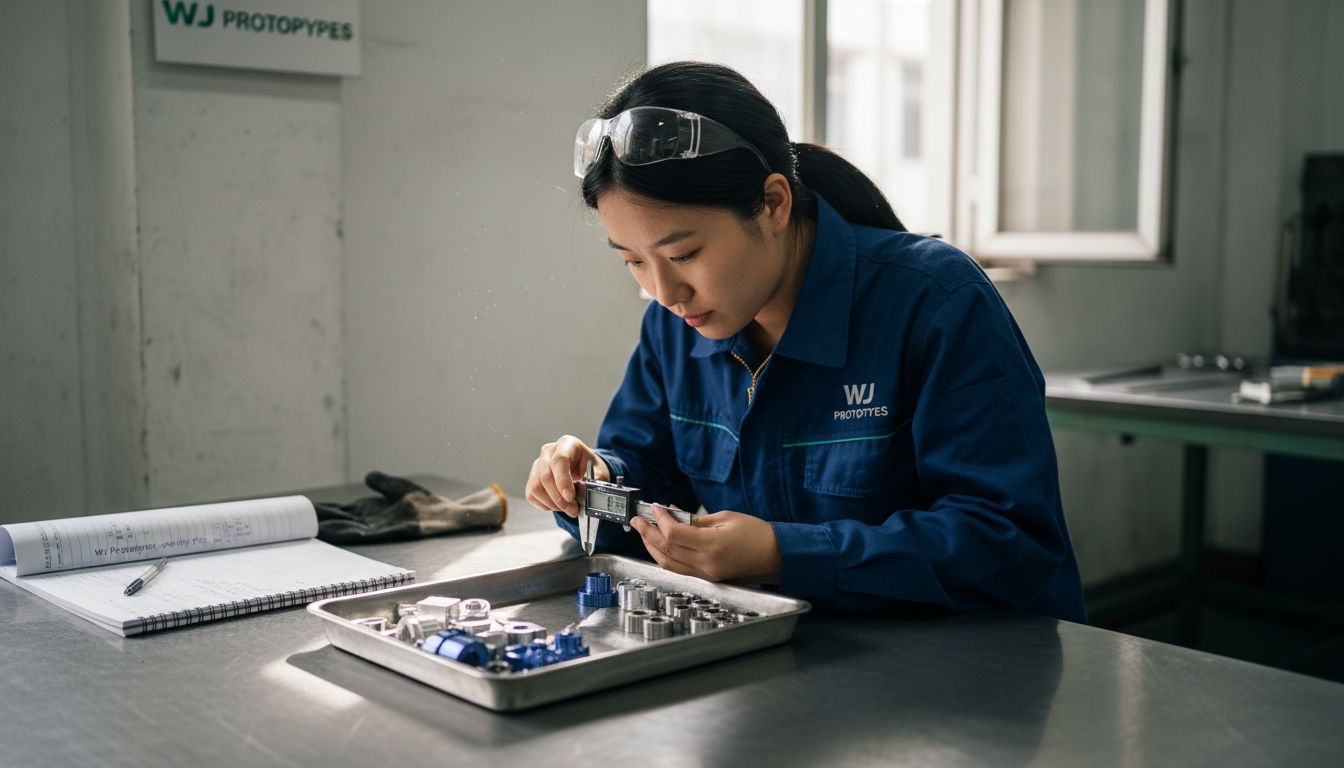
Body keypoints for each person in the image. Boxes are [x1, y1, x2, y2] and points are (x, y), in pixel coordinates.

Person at [525, 61, 1086, 622]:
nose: (665, 291)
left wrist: (780, 553)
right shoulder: (674, 327)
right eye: (633, 261)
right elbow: (646, 478)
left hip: (975, 670)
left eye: (683, 255)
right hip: (797, 660)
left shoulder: (937, 301)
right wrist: (592, 484)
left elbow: (1006, 539)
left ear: (773, 205)